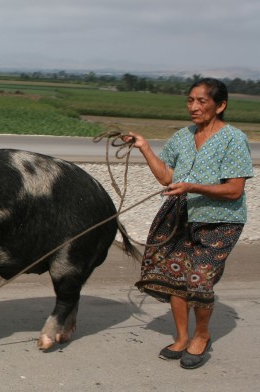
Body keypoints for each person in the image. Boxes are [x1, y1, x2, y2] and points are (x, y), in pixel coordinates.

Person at [125, 78, 254, 369]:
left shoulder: (234, 138)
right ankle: (182, 337)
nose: (194, 107)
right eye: (190, 100)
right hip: (179, 217)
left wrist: (193, 187)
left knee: (199, 280)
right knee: (175, 279)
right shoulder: (182, 137)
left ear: (220, 105)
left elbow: (234, 189)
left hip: (220, 221)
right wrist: (144, 146)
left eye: (202, 101)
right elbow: (166, 177)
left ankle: (202, 335)